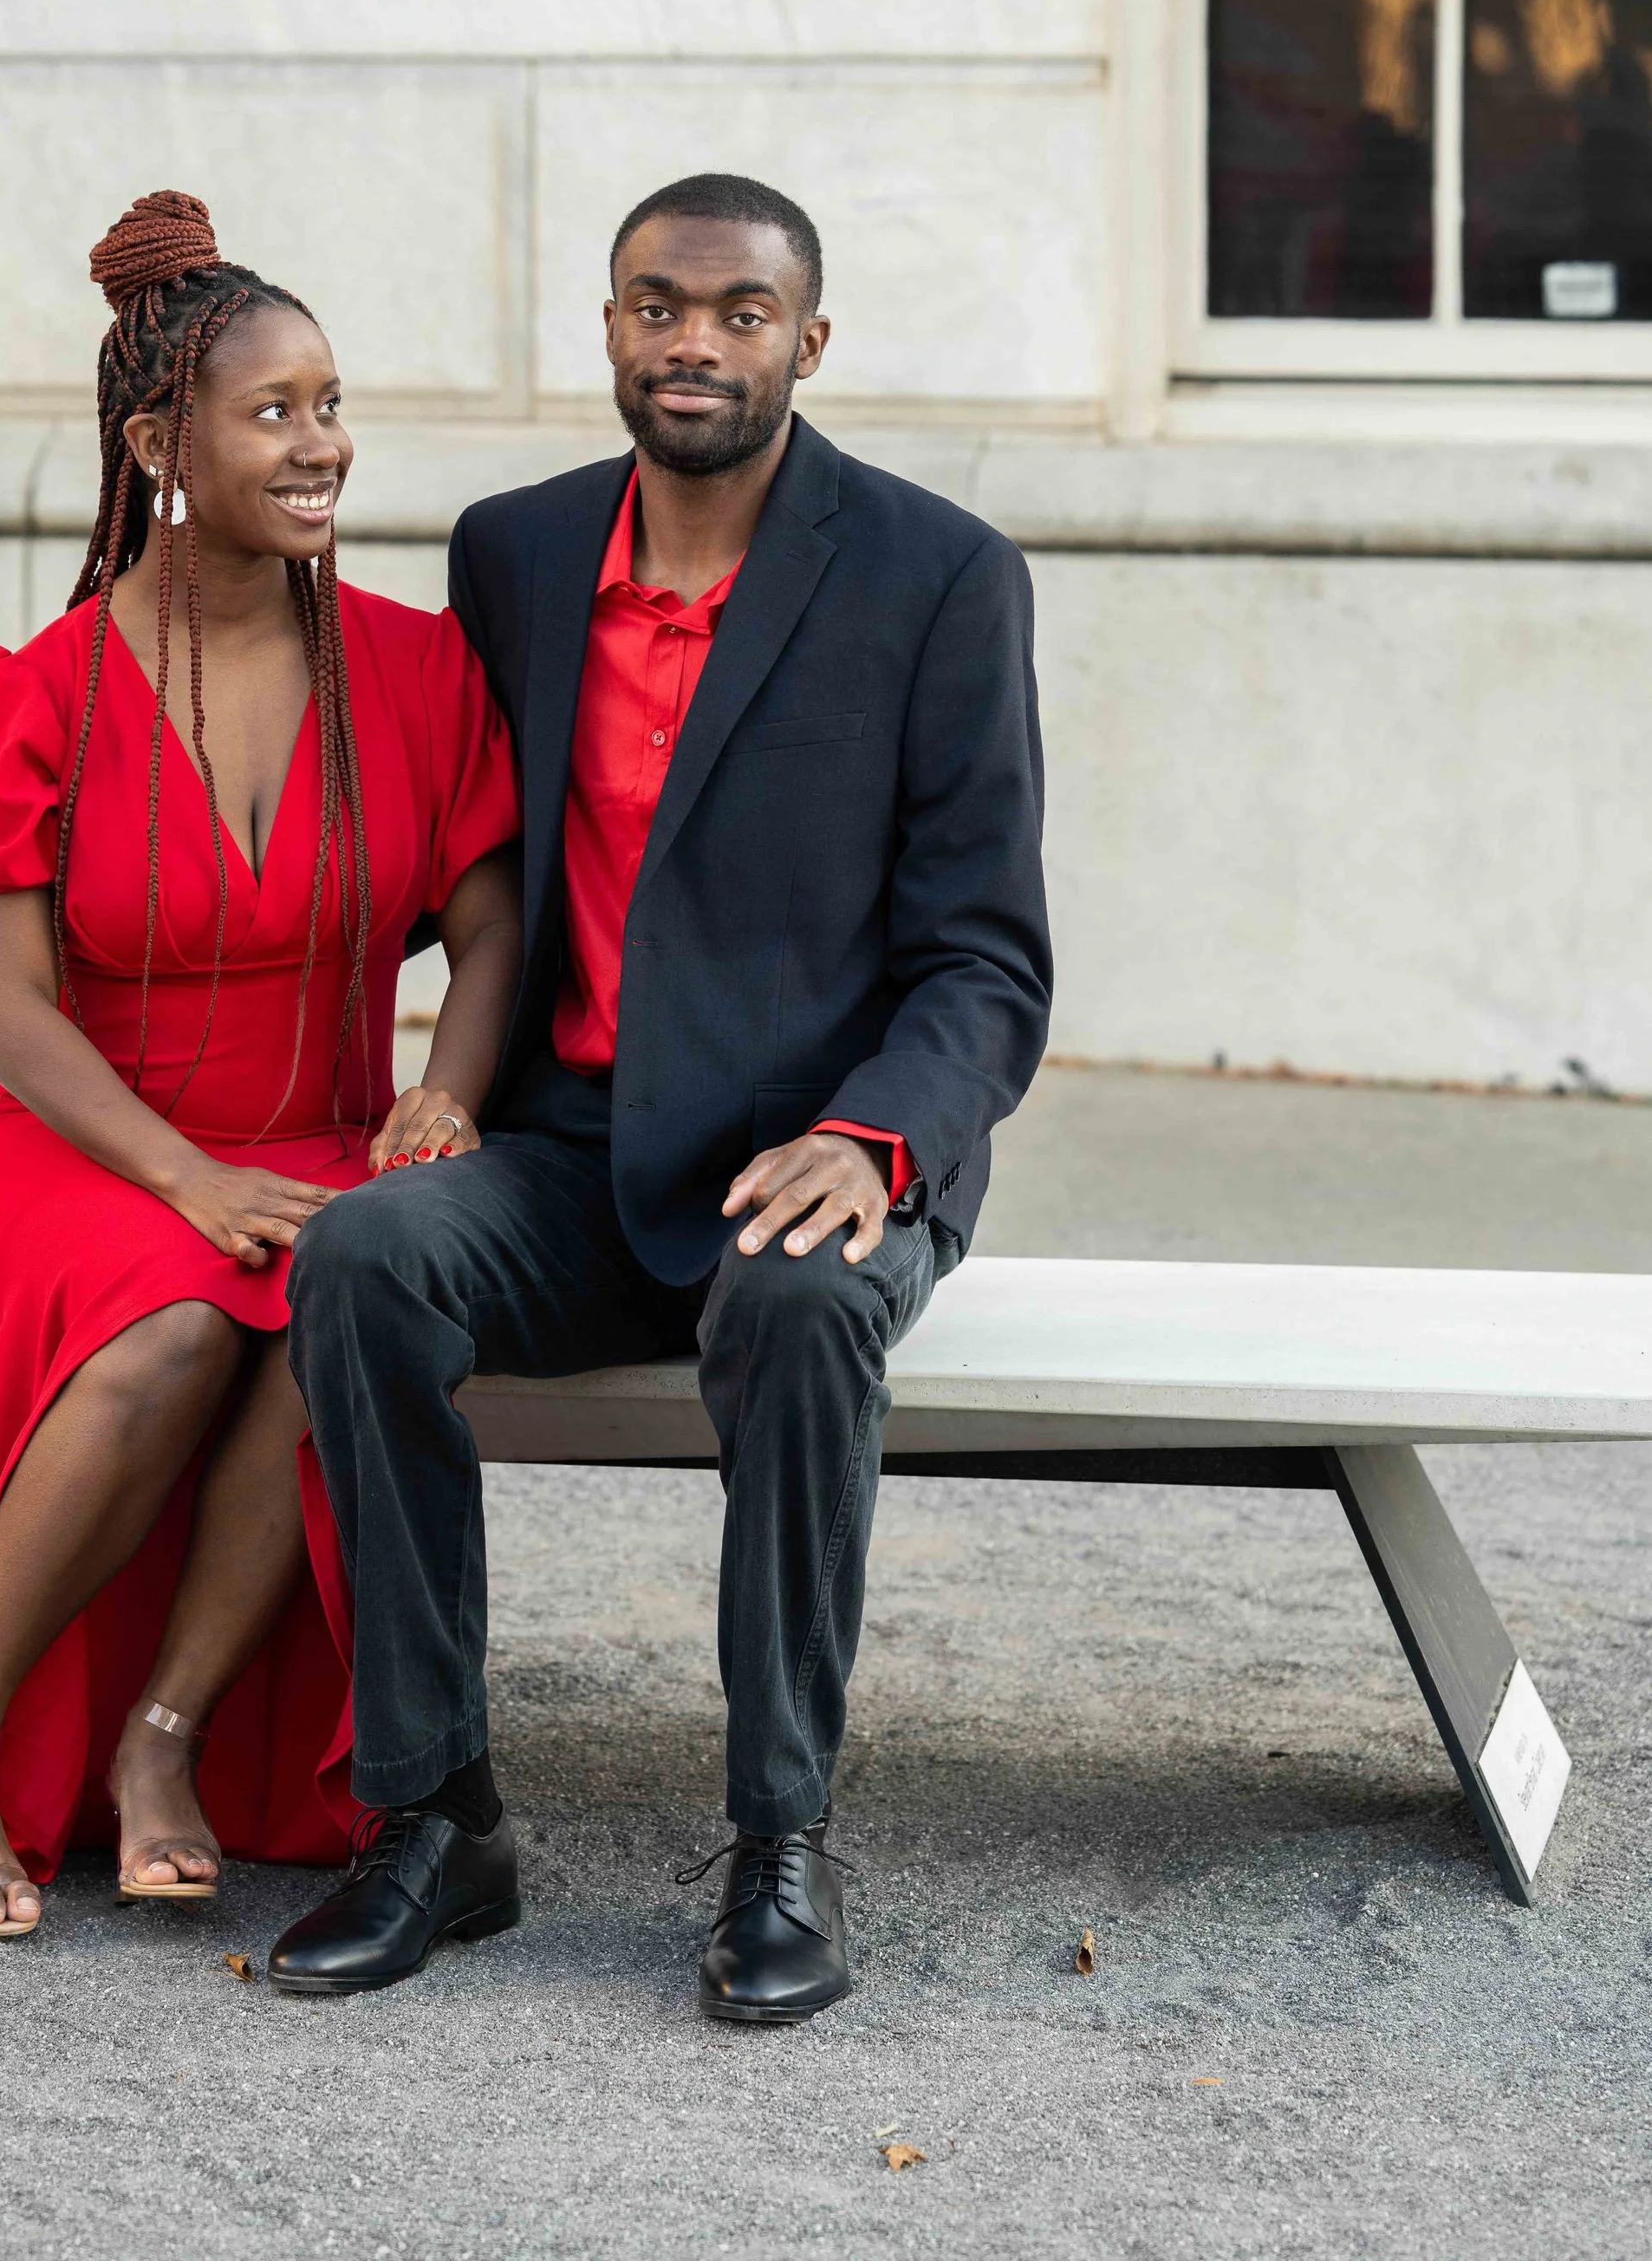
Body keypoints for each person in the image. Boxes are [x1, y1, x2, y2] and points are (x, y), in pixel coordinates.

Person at [271, 172, 1051, 2020]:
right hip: (567, 1143)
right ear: (608, 322)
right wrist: (435, 1082)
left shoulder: (938, 574)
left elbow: (985, 961)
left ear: (806, 340)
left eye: (734, 312)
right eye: (650, 305)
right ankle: (435, 1819)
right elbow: (472, 865)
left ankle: (779, 1840)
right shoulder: (517, 555)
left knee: (790, 1301)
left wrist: (871, 1139)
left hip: (816, 1152)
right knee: (364, 1262)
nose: (689, 341)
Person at [0, 189, 521, 1936]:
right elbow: (6, 1007)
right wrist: (182, 1174)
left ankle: (163, 1736)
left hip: (321, 1137)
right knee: (183, 1313)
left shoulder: (419, 675)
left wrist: (447, 1090)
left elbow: (495, 930)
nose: (324, 446)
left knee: (342, 1288)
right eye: (274, 412)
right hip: (77, 1149)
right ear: (158, 442)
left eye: (331, 404)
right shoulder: (38, 693)